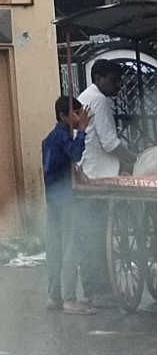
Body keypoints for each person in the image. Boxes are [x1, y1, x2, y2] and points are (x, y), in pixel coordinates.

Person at [77, 58, 130, 298]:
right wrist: (133, 158)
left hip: (87, 172)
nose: (117, 86)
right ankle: (98, 287)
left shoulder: (85, 97)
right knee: (96, 235)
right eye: (113, 81)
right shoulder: (98, 99)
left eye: (119, 81)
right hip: (98, 176)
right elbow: (110, 142)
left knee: (91, 235)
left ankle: (93, 286)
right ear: (98, 79)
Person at [42, 93, 91, 314]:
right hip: (66, 198)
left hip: (52, 198)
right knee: (71, 246)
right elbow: (76, 153)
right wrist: (81, 130)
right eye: (77, 114)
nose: (81, 117)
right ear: (64, 116)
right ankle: (70, 299)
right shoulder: (63, 136)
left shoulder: (49, 139)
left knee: (55, 247)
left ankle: (55, 296)